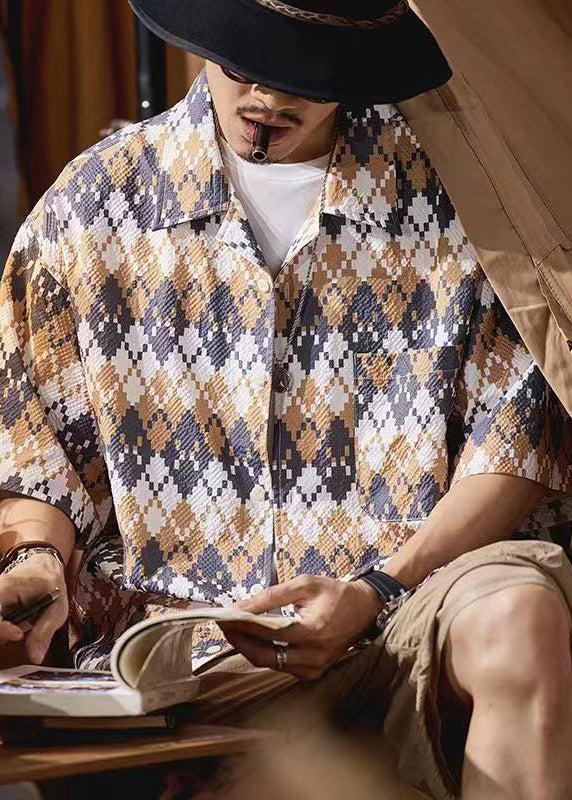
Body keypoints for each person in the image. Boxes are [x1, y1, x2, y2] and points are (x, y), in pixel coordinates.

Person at [0, 2, 571, 797]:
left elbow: (516, 444)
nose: (268, 97)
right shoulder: (92, 207)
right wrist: (32, 559)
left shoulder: (456, 199)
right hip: (183, 663)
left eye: (302, 73)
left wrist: (377, 590)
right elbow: (39, 456)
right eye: (244, 64)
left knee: (520, 615)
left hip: (399, 620)